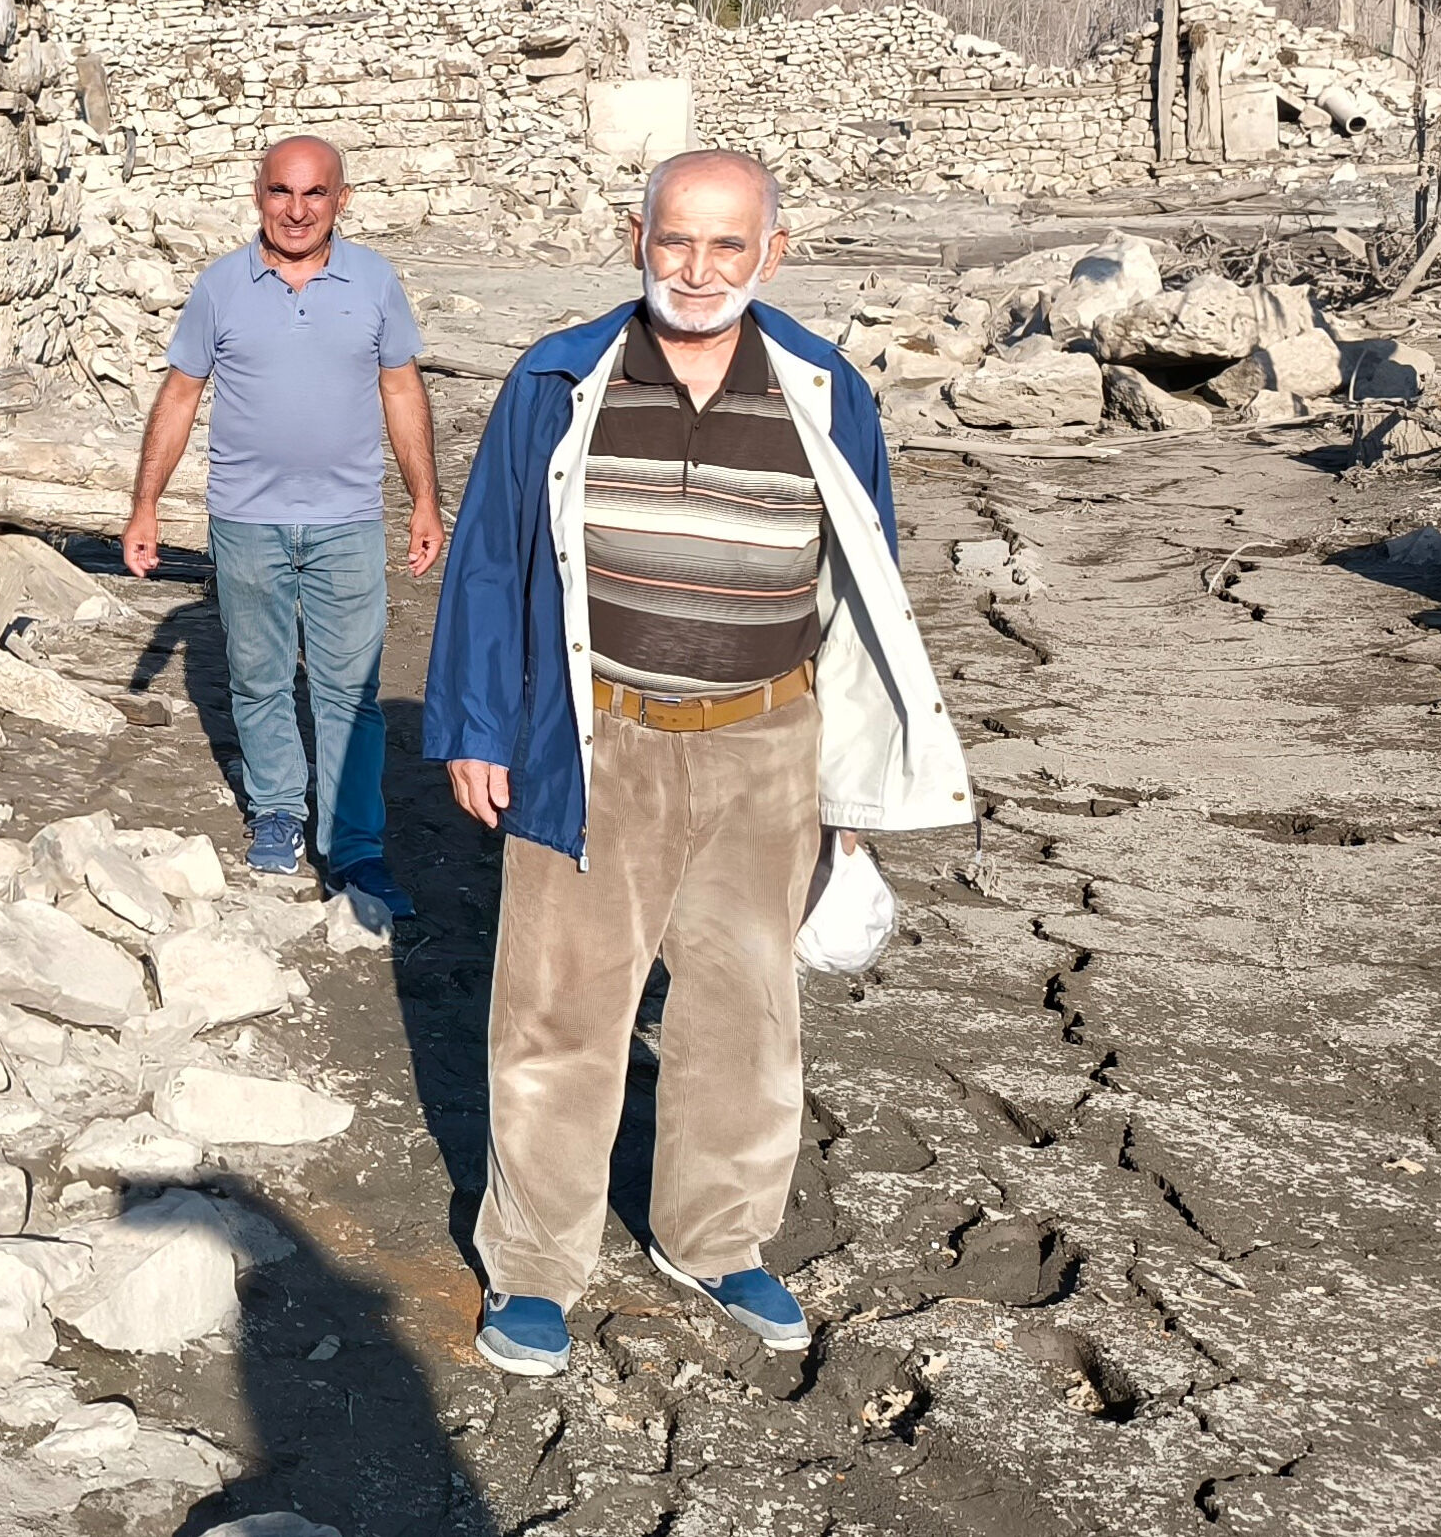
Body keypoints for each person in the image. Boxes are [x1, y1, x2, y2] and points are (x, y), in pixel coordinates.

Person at [421, 148, 972, 1376]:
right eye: (676, 239)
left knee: (745, 1010)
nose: (698, 267)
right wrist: (472, 723)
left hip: (765, 743)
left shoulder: (826, 389)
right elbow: (489, 563)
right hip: (592, 735)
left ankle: (715, 1238)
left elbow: (859, 591)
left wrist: (851, 786)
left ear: (771, 252)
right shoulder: (558, 377)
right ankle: (531, 1268)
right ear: (635, 236)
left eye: (727, 244)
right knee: (557, 1008)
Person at [124, 135, 444, 912]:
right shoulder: (220, 287)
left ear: (342, 199)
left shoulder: (372, 281)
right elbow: (178, 397)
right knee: (260, 680)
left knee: (351, 692)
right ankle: (276, 812)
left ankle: (356, 848)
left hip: (348, 522)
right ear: (258, 194)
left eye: (314, 194)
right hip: (246, 520)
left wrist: (425, 500)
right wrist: (145, 504)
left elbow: (401, 392)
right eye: (280, 193)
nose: (296, 211)